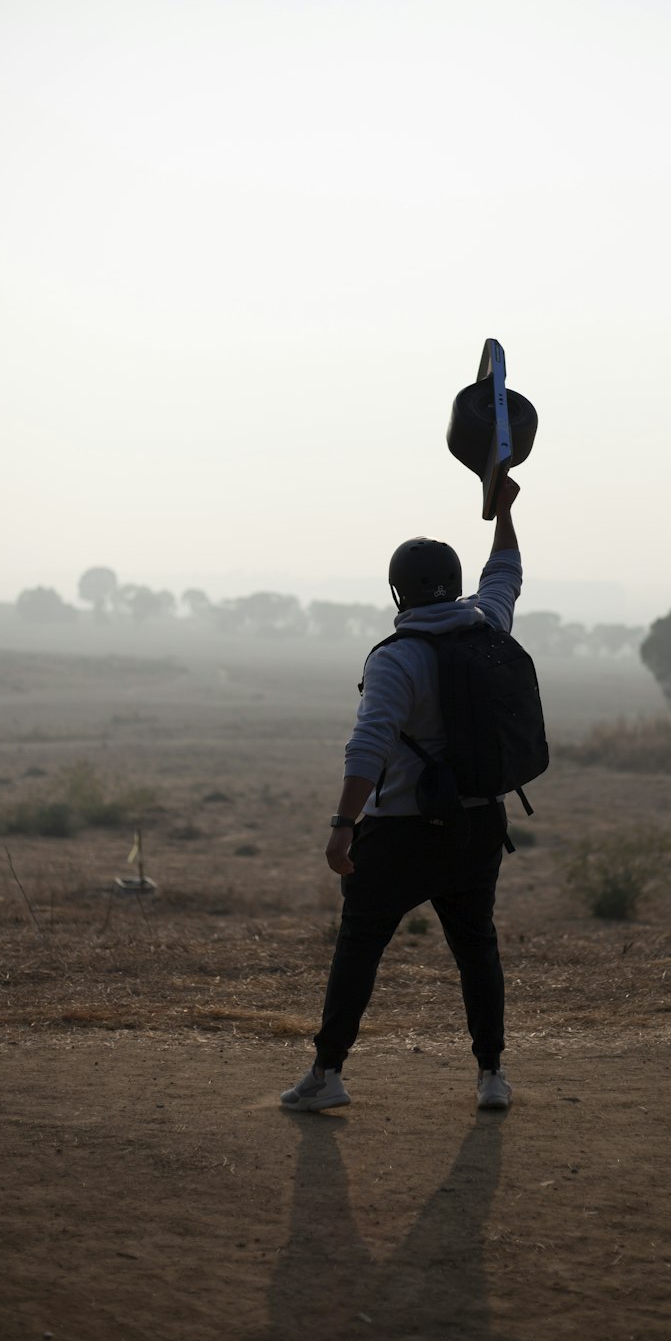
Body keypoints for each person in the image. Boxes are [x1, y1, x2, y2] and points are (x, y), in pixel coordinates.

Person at [280, 475, 523, 1114]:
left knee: (360, 942)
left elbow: (369, 746)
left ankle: (327, 1073)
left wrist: (342, 823)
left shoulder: (396, 657)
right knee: (478, 949)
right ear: (455, 581)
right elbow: (506, 576)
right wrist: (503, 511)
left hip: (403, 829)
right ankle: (491, 1075)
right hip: (478, 824)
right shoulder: (488, 625)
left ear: (398, 592)